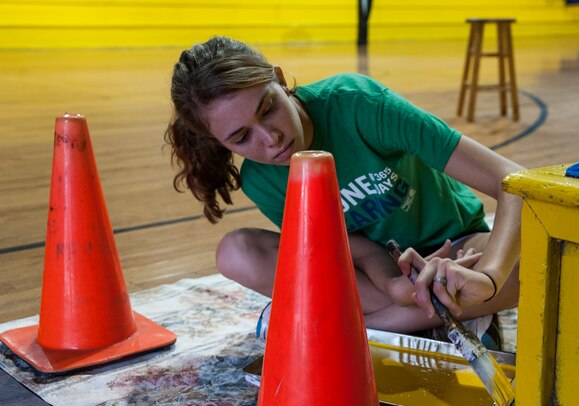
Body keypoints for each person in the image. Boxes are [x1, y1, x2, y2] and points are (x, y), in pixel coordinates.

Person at [165, 36, 523, 347]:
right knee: (236, 252)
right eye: (242, 137)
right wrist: (395, 287)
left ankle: (367, 327)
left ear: (278, 80)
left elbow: (512, 179)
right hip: (375, 276)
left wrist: (489, 279)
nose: (271, 138)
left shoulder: (357, 104)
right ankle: (431, 316)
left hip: (454, 246)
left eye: (268, 108)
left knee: (532, 264)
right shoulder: (261, 180)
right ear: (217, 140)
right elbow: (354, 250)